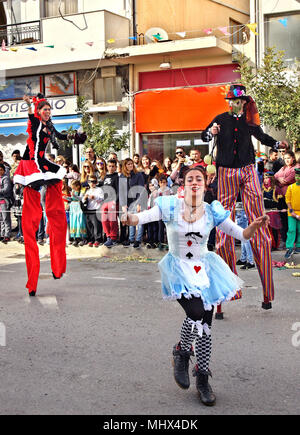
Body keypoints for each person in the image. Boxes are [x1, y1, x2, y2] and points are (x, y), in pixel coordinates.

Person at [122, 166, 269, 406]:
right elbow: (142, 217)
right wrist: (130, 218)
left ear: (205, 184)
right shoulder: (169, 206)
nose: (194, 182)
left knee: (206, 326)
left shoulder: (212, 211)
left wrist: (253, 226)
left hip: (205, 269)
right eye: (189, 178)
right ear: (183, 183)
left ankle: (202, 378)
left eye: (198, 179)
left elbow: (242, 234)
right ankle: (181, 352)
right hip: (179, 268)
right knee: (196, 313)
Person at [201, 84, 288, 310]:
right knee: (224, 227)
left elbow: (261, 136)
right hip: (226, 171)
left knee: (258, 222)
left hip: (248, 170)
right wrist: (212, 132)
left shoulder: (249, 121)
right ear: (228, 102)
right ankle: (228, 291)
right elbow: (203, 134)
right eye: (231, 101)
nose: (234, 104)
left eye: (238, 101)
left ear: (244, 102)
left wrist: (277, 144)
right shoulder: (220, 119)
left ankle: (267, 294)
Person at [13, 94, 80, 296]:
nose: (48, 112)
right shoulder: (34, 121)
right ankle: (32, 281)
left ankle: (57, 267)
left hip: (42, 163)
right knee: (31, 215)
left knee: (56, 204)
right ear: (39, 111)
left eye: (50, 110)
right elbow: (30, 115)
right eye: (45, 109)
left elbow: (59, 137)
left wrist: (74, 137)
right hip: (31, 165)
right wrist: (30, 103)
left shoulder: (49, 125)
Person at [119, 158, 145, 248]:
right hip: (128, 203)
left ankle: (138, 240)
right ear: (125, 166)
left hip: (137, 201)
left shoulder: (138, 175)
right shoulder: (122, 176)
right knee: (130, 221)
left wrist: (139, 203)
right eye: (128, 164)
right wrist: (123, 204)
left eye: (131, 164)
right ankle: (131, 239)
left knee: (139, 221)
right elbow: (121, 191)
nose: (130, 166)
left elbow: (141, 189)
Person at [274, 150, 297, 247]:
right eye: (285, 158)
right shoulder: (283, 168)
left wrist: (279, 180)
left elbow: (288, 180)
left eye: (288, 158)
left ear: (293, 158)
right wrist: (279, 179)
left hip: (292, 198)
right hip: (281, 198)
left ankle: (294, 242)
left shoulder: (296, 168)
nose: (286, 160)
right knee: (283, 219)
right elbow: (275, 177)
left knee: (292, 219)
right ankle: (284, 240)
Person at [82, 175, 104, 247]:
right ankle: (91, 239)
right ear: (88, 182)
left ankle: (98, 239)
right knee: (89, 226)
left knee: (97, 226)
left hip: (96, 209)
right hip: (88, 209)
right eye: (90, 181)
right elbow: (82, 200)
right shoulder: (87, 190)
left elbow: (101, 199)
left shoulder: (99, 190)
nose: (92, 183)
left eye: (94, 182)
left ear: (96, 182)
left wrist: (94, 197)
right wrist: (84, 198)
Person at [101, 159, 119, 248]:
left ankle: (113, 237)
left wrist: (115, 200)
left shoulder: (117, 177)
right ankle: (108, 236)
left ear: (115, 167)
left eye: (113, 166)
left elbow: (118, 190)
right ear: (107, 166)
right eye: (109, 166)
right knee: (104, 220)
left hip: (112, 201)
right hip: (105, 201)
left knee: (112, 220)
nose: (111, 168)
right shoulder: (105, 176)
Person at [284, 167, 300, 260]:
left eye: (299, 176)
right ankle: (289, 247)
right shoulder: (291, 187)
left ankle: (298, 246)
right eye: (296, 176)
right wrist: (292, 211)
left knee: (299, 230)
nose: (297, 178)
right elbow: (288, 200)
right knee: (291, 229)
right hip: (292, 213)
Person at [68, 180, 88, 246]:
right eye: (72, 188)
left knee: (80, 222)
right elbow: (72, 199)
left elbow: (81, 199)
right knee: (74, 223)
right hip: (73, 209)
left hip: (79, 209)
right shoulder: (73, 191)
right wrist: (67, 198)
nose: (73, 189)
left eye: (74, 187)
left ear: (78, 186)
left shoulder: (82, 190)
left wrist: (74, 196)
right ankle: (76, 238)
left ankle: (83, 238)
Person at [0, 163, 13, 243]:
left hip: (4, 200)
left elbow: (6, 189)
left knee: (6, 218)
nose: (0, 171)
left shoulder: (6, 178)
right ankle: (2, 234)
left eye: (1, 170)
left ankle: (7, 235)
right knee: (1, 219)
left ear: (4, 170)